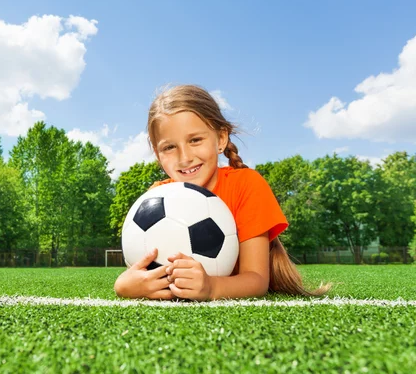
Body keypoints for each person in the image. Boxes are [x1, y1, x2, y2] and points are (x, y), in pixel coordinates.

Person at [114, 85, 330, 300]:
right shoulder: (156, 196)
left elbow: (256, 280)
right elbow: (139, 272)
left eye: (195, 140)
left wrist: (211, 287)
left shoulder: (247, 184)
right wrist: (125, 286)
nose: (184, 157)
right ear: (157, 154)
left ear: (220, 139)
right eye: (169, 147)